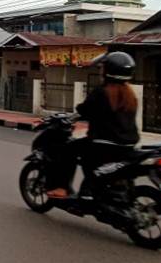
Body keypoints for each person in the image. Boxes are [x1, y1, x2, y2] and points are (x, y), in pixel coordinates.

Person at [47, 52, 140, 199]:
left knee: (68, 149)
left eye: (103, 68)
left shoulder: (102, 92)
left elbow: (85, 110)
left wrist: (76, 115)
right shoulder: (130, 95)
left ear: (109, 71)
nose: (100, 71)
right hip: (127, 145)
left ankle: (62, 188)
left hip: (103, 145)